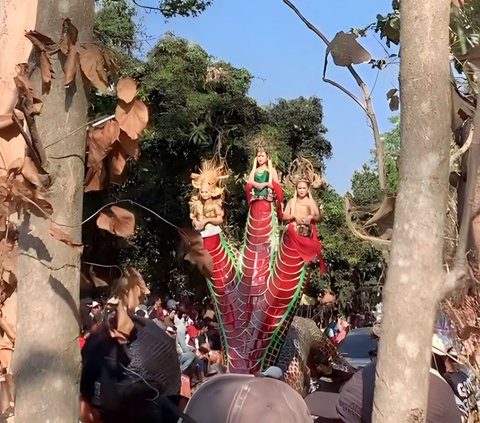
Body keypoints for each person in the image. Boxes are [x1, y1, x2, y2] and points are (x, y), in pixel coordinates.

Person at [282, 158, 327, 271]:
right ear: (296, 189)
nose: (302, 190)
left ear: (308, 189)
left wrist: (310, 217)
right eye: (299, 188)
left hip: (307, 233)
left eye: (304, 188)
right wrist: (293, 217)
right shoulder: (292, 202)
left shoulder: (311, 202)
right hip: (293, 231)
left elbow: (318, 216)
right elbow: (283, 216)